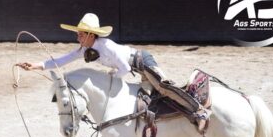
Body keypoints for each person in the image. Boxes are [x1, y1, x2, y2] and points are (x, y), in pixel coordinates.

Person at [16, 13, 210, 128]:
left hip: (142, 62)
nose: (78, 37)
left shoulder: (106, 46)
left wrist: (112, 77)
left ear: (91, 35)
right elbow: (63, 59)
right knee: (146, 100)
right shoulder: (85, 49)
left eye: (80, 34)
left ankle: (199, 111)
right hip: (135, 68)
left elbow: (125, 68)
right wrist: (36, 65)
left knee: (164, 88)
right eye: (78, 34)